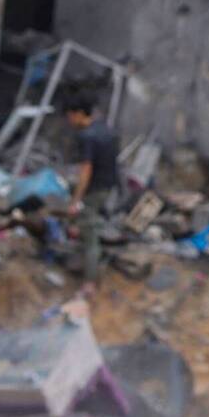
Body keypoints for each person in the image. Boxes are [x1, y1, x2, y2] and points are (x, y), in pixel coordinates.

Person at [64, 97, 122, 292]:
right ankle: (84, 260)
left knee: (89, 234)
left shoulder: (87, 137)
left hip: (94, 189)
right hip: (108, 186)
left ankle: (90, 281)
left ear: (80, 114)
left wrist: (76, 200)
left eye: (71, 116)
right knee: (89, 223)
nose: (70, 121)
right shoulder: (107, 130)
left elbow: (86, 170)